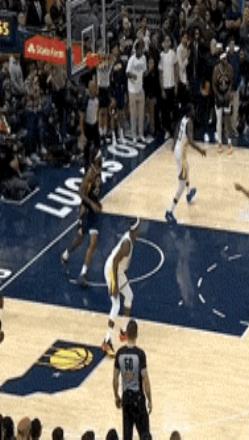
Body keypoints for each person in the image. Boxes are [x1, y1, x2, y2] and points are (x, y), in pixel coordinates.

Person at [61, 151, 103, 287]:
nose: (102, 157)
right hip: (86, 212)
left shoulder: (99, 170)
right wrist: (92, 204)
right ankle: (67, 253)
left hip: (94, 212)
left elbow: (94, 192)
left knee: (92, 243)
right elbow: (80, 192)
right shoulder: (90, 173)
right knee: (80, 240)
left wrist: (97, 202)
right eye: (100, 156)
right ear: (95, 159)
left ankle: (82, 274)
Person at [102, 219, 141, 357]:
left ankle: (124, 331)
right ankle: (107, 340)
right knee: (116, 305)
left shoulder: (131, 238)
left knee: (129, 296)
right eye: (139, 228)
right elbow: (114, 262)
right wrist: (114, 285)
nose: (140, 230)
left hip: (118, 271)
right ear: (134, 230)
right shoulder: (126, 244)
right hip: (111, 271)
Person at [165, 104, 207, 225]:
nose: (194, 111)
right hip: (180, 154)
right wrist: (200, 150)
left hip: (179, 151)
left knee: (187, 168)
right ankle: (169, 211)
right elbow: (191, 141)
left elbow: (176, 131)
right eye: (193, 110)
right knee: (181, 185)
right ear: (189, 112)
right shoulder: (189, 123)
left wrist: (174, 144)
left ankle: (189, 194)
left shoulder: (182, 119)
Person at [113, 320, 152, 440]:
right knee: (145, 435)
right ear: (137, 334)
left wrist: (117, 396)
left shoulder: (120, 353)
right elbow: (146, 380)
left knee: (127, 436)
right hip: (138, 399)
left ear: (126, 334)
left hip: (126, 399)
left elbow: (115, 379)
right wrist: (150, 400)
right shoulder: (140, 354)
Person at [126, 40, 147, 144]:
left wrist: (146, 72)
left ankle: (141, 134)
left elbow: (145, 71)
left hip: (140, 89)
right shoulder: (131, 59)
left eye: (143, 49)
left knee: (141, 114)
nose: (142, 51)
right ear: (136, 49)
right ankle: (134, 135)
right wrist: (132, 75)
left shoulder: (144, 58)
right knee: (133, 114)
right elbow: (127, 73)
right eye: (140, 49)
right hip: (132, 90)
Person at [213, 52, 234, 154]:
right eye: (224, 59)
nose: (225, 60)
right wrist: (218, 95)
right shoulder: (216, 69)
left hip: (226, 96)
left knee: (227, 119)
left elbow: (231, 82)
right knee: (219, 120)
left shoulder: (230, 68)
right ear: (220, 60)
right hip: (218, 96)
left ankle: (229, 142)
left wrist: (228, 93)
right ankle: (220, 143)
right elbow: (214, 84)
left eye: (226, 58)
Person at [159, 35, 179, 141]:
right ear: (162, 44)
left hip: (172, 85)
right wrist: (162, 89)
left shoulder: (173, 54)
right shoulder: (161, 56)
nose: (167, 42)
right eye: (165, 41)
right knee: (165, 111)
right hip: (165, 86)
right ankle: (167, 130)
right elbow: (160, 73)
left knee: (173, 109)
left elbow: (176, 69)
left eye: (168, 41)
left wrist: (176, 84)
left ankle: (174, 129)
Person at [79, 81, 100, 171]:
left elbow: (97, 111)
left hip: (94, 125)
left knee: (97, 146)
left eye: (96, 87)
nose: (96, 89)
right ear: (90, 89)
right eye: (94, 88)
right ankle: (86, 168)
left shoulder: (97, 99)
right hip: (87, 126)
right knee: (86, 150)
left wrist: (97, 123)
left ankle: (95, 164)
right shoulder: (85, 100)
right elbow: (81, 117)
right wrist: (82, 133)